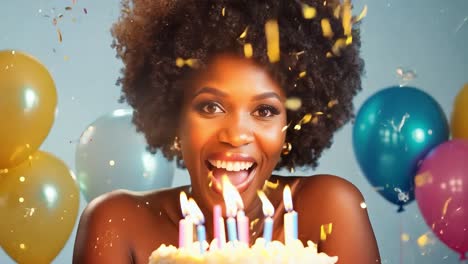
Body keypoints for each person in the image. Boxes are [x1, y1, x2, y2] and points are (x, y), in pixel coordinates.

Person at [73, 0, 381, 263]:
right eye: (210, 107)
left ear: (290, 127)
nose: (235, 136)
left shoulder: (331, 208)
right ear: (173, 117)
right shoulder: (117, 221)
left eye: (264, 111)